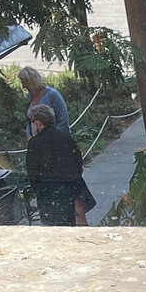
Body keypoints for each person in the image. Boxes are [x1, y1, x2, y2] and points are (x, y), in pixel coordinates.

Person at [18, 67, 95, 223]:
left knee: (69, 191)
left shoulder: (52, 94)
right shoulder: (30, 97)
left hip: (56, 148)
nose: (23, 86)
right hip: (39, 146)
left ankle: (78, 220)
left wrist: (51, 140)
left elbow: (63, 121)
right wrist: (30, 137)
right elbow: (28, 121)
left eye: (24, 82)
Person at [26, 103, 85, 225]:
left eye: (33, 120)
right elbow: (77, 161)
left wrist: (37, 189)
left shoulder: (35, 143)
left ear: (39, 122)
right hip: (67, 189)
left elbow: (32, 170)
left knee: (52, 225)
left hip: (47, 192)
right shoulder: (65, 138)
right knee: (69, 222)